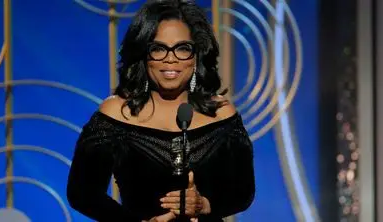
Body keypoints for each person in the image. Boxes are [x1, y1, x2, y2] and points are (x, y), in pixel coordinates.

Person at [66, 0, 255, 221]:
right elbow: (82, 193)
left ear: (197, 56)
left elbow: (244, 192)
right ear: (143, 55)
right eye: (158, 48)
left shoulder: (221, 112)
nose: (170, 58)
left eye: (183, 48)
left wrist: (204, 204)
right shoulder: (117, 112)